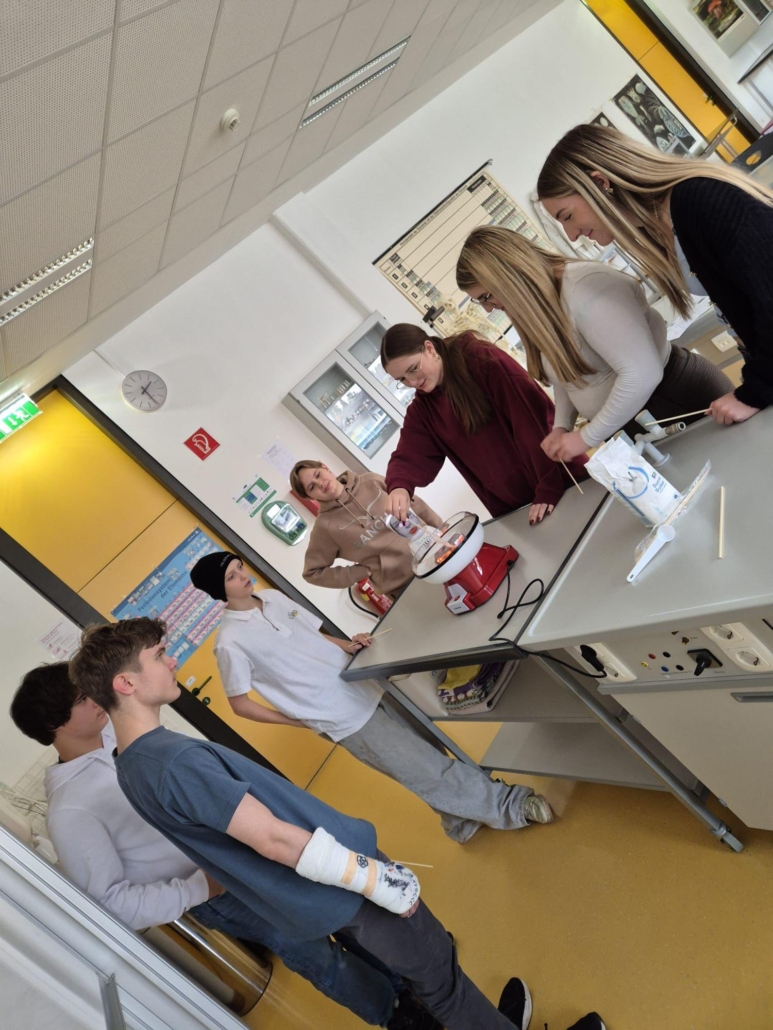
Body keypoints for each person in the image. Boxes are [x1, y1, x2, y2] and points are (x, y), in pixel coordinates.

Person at [66, 616, 585, 1030]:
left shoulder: (131, 763)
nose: (173, 659)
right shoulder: (171, 762)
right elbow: (271, 837)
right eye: (160, 655)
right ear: (126, 682)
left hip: (319, 895)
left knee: (433, 974)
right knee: (438, 974)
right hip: (340, 887)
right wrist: (374, 878)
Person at [9, 663, 433, 1030]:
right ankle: (396, 1012)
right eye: (83, 698)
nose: (96, 698)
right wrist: (199, 888)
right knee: (316, 954)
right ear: (54, 725)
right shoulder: (70, 810)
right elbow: (110, 902)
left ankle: (406, 979)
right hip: (216, 889)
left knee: (335, 909)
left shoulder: (120, 738)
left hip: (244, 849)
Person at [189, 550, 552, 844]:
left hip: (363, 682)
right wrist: (296, 721)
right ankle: (510, 806)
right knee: (424, 768)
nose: (243, 575)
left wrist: (347, 645)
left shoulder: (270, 597)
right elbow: (239, 704)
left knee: (426, 753)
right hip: (340, 717)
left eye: (239, 566)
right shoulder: (230, 642)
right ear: (219, 590)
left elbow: (312, 635)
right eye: (232, 576)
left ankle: (460, 822)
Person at [536, 122, 773, 425]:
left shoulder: (698, 198)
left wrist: (754, 392)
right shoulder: (660, 226)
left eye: (568, 216)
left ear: (600, 183)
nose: (571, 235)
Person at [454, 225, 731, 460]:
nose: (488, 308)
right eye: (480, 302)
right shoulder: (537, 309)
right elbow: (567, 375)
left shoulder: (584, 287)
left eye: (486, 296)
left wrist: (586, 437)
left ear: (507, 275)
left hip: (674, 401)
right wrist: (561, 426)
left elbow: (643, 373)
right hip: (633, 422)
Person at [379, 324, 587, 528]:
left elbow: (532, 423)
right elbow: (410, 454)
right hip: (515, 508)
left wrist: (549, 486)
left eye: (413, 369)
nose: (413, 382)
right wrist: (399, 487)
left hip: (563, 483)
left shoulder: (482, 359)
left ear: (429, 348)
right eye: (402, 379)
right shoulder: (422, 411)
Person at [290, 460, 443, 598]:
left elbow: (414, 502)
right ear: (309, 497)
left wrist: (443, 529)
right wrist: (361, 572)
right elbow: (312, 573)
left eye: (318, 475)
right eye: (312, 487)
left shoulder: (371, 481)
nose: (320, 484)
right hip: (401, 586)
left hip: (434, 554)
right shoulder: (324, 527)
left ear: (325, 467)